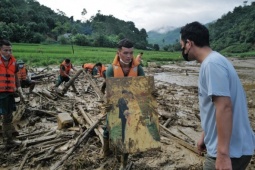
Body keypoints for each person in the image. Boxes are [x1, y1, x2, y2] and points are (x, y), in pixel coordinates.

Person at [180, 21, 255, 170]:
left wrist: (222, 154)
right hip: (233, 148)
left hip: (230, 152)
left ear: (189, 43)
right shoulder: (216, 61)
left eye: (181, 45)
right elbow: (215, 107)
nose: (181, 49)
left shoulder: (211, 64)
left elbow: (224, 107)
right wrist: (205, 135)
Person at [103, 38, 145, 169]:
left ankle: (124, 162)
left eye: (131, 53)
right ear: (118, 52)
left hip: (132, 103)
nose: (129, 56)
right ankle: (105, 150)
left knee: (128, 132)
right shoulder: (111, 69)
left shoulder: (138, 68)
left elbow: (144, 86)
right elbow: (111, 91)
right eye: (126, 53)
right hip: (116, 101)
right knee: (107, 129)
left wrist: (151, 94)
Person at [0, 39, 25, 147]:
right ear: (0, 49)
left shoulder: (14, 62)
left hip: (9, 93)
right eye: (6, 50)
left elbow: (15, 76)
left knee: (8, 117)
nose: (9, 53)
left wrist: (19, 88)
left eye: (10, 50)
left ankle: (8, 141)